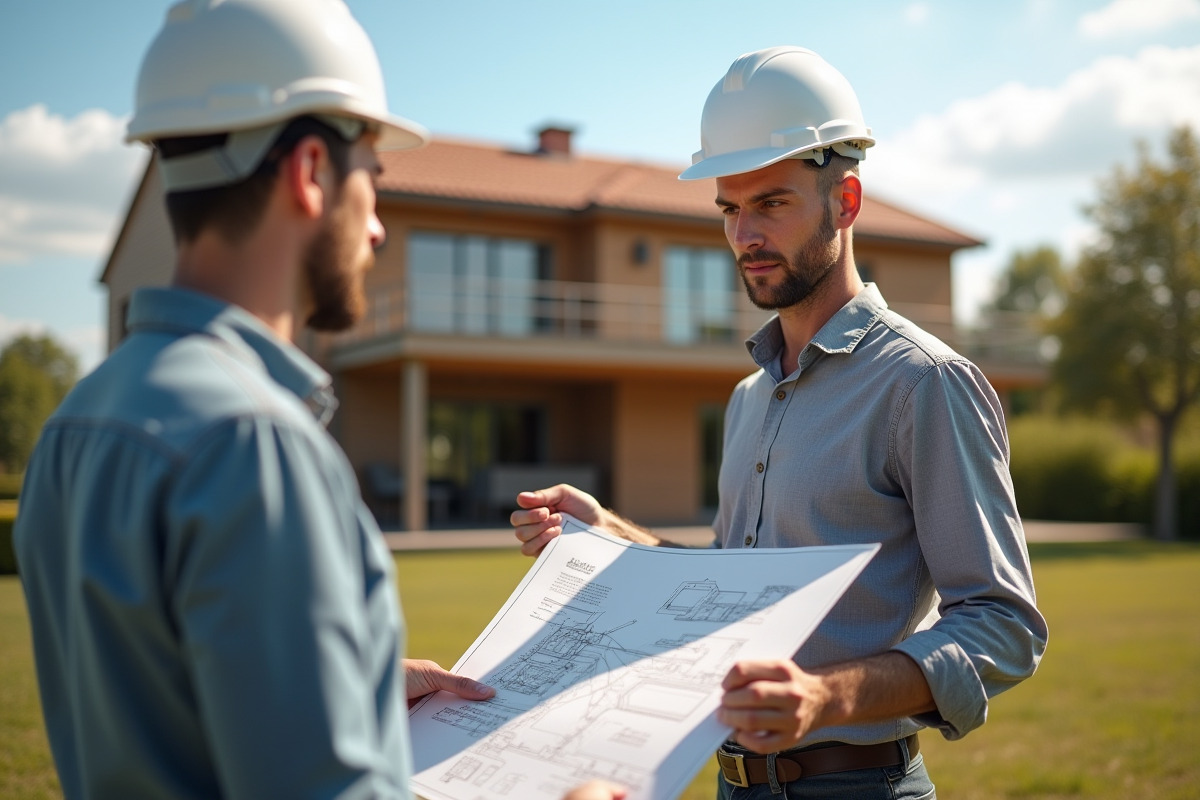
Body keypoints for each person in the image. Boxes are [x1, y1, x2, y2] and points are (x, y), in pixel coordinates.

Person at [13, 2, 624, 799]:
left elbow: (163, 694)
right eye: (372, 179)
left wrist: (353, 684)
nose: (376, 231)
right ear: (309, 172)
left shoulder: (79, 421)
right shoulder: (255, 442)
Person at [511, 46, 1048, 799]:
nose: (744, 237)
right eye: (731, 209)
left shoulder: (924, 384)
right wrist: (606, 533)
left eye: (772, 204)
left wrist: (824, 699)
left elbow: (1003, 627)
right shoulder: (748, 398)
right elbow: (725, 588)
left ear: (846, 202)